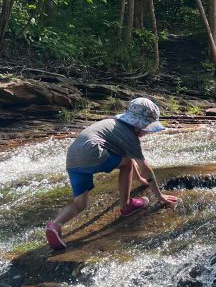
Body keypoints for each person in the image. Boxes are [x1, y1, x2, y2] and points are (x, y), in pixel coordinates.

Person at [45, 97, 178, 251]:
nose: (147, 132)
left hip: (73, 159)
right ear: (138, 125)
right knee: (127, 163)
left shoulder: (113, 125)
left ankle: (55, 225)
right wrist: (159, 195)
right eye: (147, 128)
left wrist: (139, 179)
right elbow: (143, 166)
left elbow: (127, 158)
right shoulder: (129, 135)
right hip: (92, 152)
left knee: (80, 203)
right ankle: (126, 205)